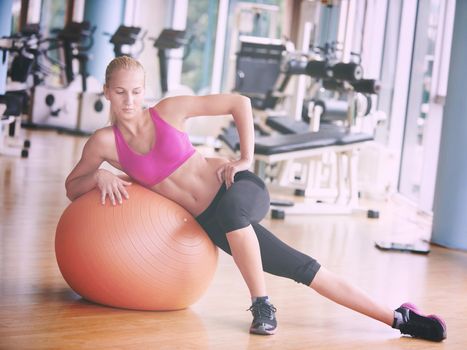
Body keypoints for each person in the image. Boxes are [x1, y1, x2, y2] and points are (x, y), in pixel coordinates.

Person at [65, 56, 446, 340]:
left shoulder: (169, 110)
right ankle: (400, 318)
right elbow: (73, 186)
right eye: (119, 92)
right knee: (305, 269)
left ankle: (262, 304)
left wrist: (245, 157)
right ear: (106, 92)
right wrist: (98, 174)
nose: (129, 100)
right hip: (215, 224)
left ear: (144, 90)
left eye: (135, 91)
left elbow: (239, 103)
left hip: (237, 189)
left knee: (233, 211)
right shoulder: (104, 144)